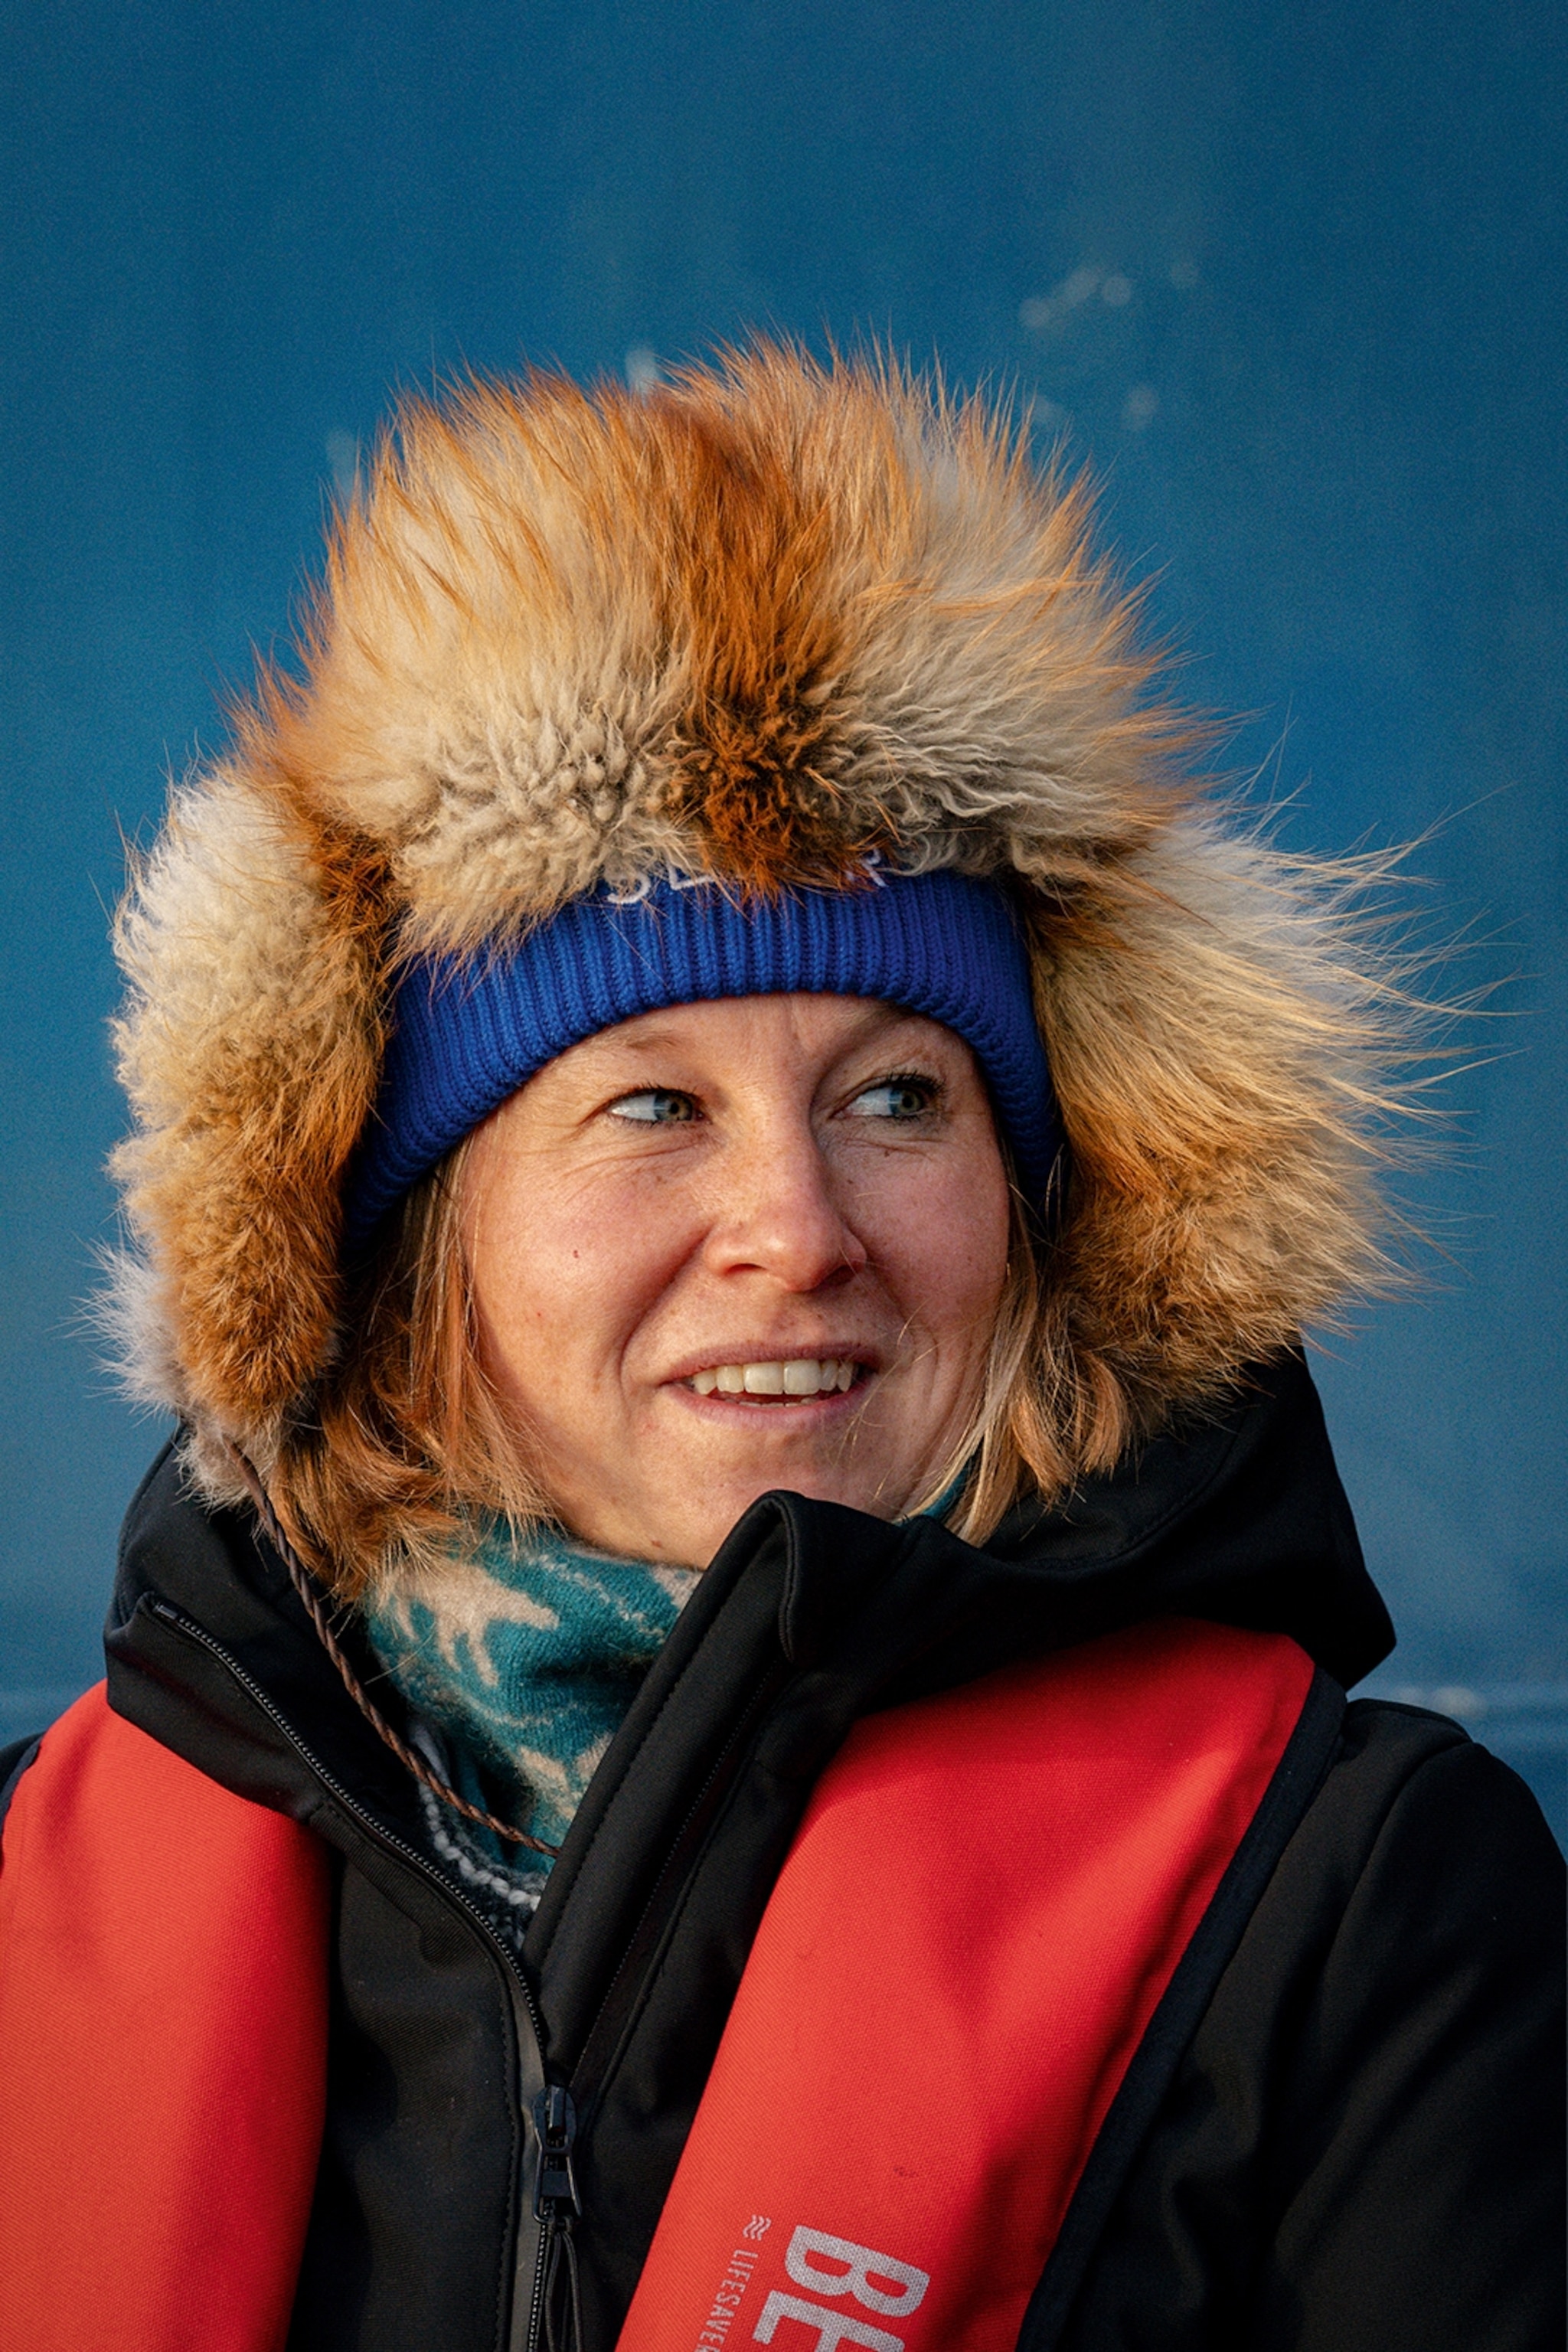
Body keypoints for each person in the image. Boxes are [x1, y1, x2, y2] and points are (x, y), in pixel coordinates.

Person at [0, 345, 1560, 2352]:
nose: (800, 1232)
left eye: (899, 1098)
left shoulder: (1354, 1905)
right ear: (418, 1246)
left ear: (1040, 1200)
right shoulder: (43, 1908)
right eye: (654, 1107)